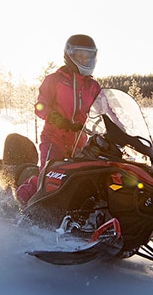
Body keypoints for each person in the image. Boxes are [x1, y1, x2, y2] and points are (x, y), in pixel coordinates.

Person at [15, 34, 103, 206]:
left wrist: (119, 129)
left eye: (88, 55)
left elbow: (104, 110)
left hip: (80, 143)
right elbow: (40, 105)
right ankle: (19, 203)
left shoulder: (93, 86)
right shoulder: (55, 80)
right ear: (69, 55)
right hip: (54, 137)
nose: (84, 59)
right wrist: (52, 116)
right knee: (48, 176)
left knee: (82, 179)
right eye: (80, 55)